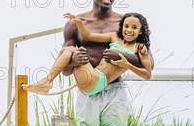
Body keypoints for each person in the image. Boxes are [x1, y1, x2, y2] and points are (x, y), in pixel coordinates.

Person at [23, 11, 152, 95]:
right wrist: (79, 22)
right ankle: (47, 82)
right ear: (122, 27)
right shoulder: (114, 37)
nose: (129, 30)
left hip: (98, 81)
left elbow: (147, 74)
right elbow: (88, 35)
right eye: (126, 26)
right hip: (91, 77)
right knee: (66, 50)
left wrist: (127, 64)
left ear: (141, 31)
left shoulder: (140, 48)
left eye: (134, 28)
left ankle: (47, 82)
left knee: (70, 50)